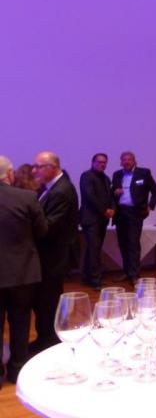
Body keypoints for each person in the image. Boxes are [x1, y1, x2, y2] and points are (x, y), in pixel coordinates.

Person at [0, 156, 47, 386]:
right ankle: (17, 369)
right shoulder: (27, 197)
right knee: (20, 321)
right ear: (9, 174)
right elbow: (42, 231)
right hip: (22, 271)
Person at [30, 151, 79, 353]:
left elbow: (49, 226)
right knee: (45, 301)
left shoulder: (61, 191)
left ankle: (48, 342)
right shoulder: (51, 188)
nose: (34, 171)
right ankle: (45, 338)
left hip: (54, 257)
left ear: (52, 167)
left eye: (38, 167)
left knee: (48, 301)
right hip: (50, 256)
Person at [111, 151, 156, 284]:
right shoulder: (117, 174)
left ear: (134, 161)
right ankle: (127, 271)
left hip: (135, 213)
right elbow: (112, 193)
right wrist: (115, 192)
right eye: (124, 159)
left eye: (129, 159)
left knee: (133, 244)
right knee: (123, 244)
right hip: (120, 213)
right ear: (121, 162)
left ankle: (134, 274)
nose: (126, 162)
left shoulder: (143, 173)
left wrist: (150, 206)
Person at [79, 153, 114, 290]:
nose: (102, 164)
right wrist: (104, 210)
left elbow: (111, 196)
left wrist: (112, 209)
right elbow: (90, 196)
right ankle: (95, 279)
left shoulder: (106, 178)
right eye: (99, 162)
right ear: (93, 162)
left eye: (104, 162)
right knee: (94, 248)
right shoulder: (86, 176)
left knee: (95, 248)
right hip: (90, 219)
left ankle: (87, 276)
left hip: (102, 220)